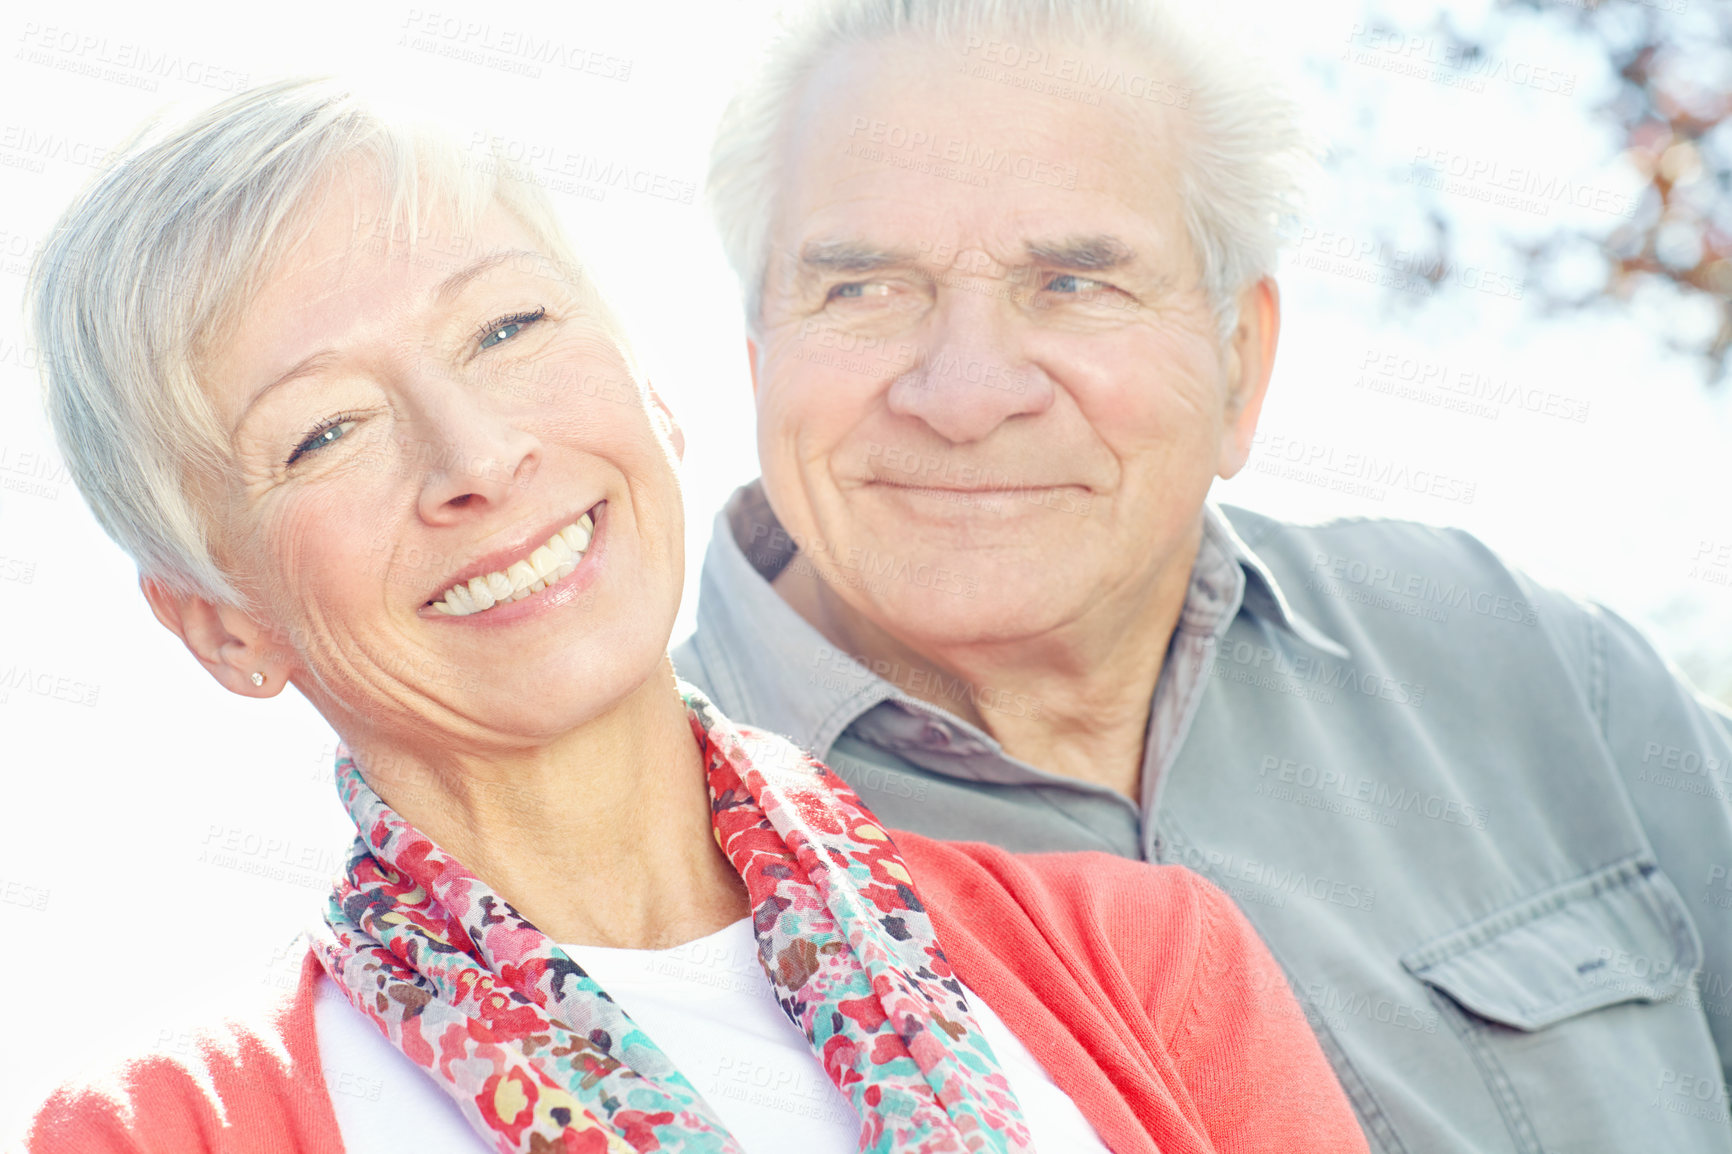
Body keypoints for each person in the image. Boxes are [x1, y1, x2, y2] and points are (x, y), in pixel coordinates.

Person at [18, 79, 1366, 1154]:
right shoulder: (165, 1132)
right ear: (219, 624)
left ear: (651, 389)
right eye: (323, 431)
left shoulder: (1139, 956)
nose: (477, 455)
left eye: (505, 329)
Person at [672, 1, 1732, 1151]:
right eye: (863, 288)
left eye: (1073, 283)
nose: (966, 392)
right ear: (760, 361)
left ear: (1241, 359)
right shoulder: (627, 851)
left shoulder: (1511, 654)